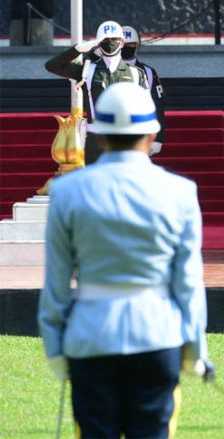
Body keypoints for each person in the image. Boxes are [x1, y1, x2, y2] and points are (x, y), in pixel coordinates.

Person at [38, 82, 211, 438]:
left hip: (89, 338)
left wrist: (54, 347)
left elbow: (56, 279)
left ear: (98, 136)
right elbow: (188, 281)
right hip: (158, 336)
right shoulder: (180, 192)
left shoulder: (67, 191)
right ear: (151, 134)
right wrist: (195, 349)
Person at [44, 20, 149, 164]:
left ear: (122, 42)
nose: (110, 42)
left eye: (114, 39)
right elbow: (52, 65)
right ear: (99, 43)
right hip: (95, 139)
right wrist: (80, 48)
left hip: (125, 138)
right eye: (106, 39)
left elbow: (146, 109)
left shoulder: (136, 74)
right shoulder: (88, 71)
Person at [122, 25, 166, 155]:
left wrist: (159, 138)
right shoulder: (104, 70)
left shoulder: (149, 73)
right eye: (123, 44)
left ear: (138, 46)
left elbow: (158, 105)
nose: (127, 47)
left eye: (131, 44)